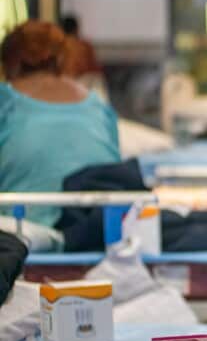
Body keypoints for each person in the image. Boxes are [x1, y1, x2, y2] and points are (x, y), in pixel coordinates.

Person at [0, 21, 120, 227]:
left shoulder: (5, 101)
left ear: (9, 63)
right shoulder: (97, 107)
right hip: (91, 234)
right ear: (63, 59)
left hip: (21, 234)